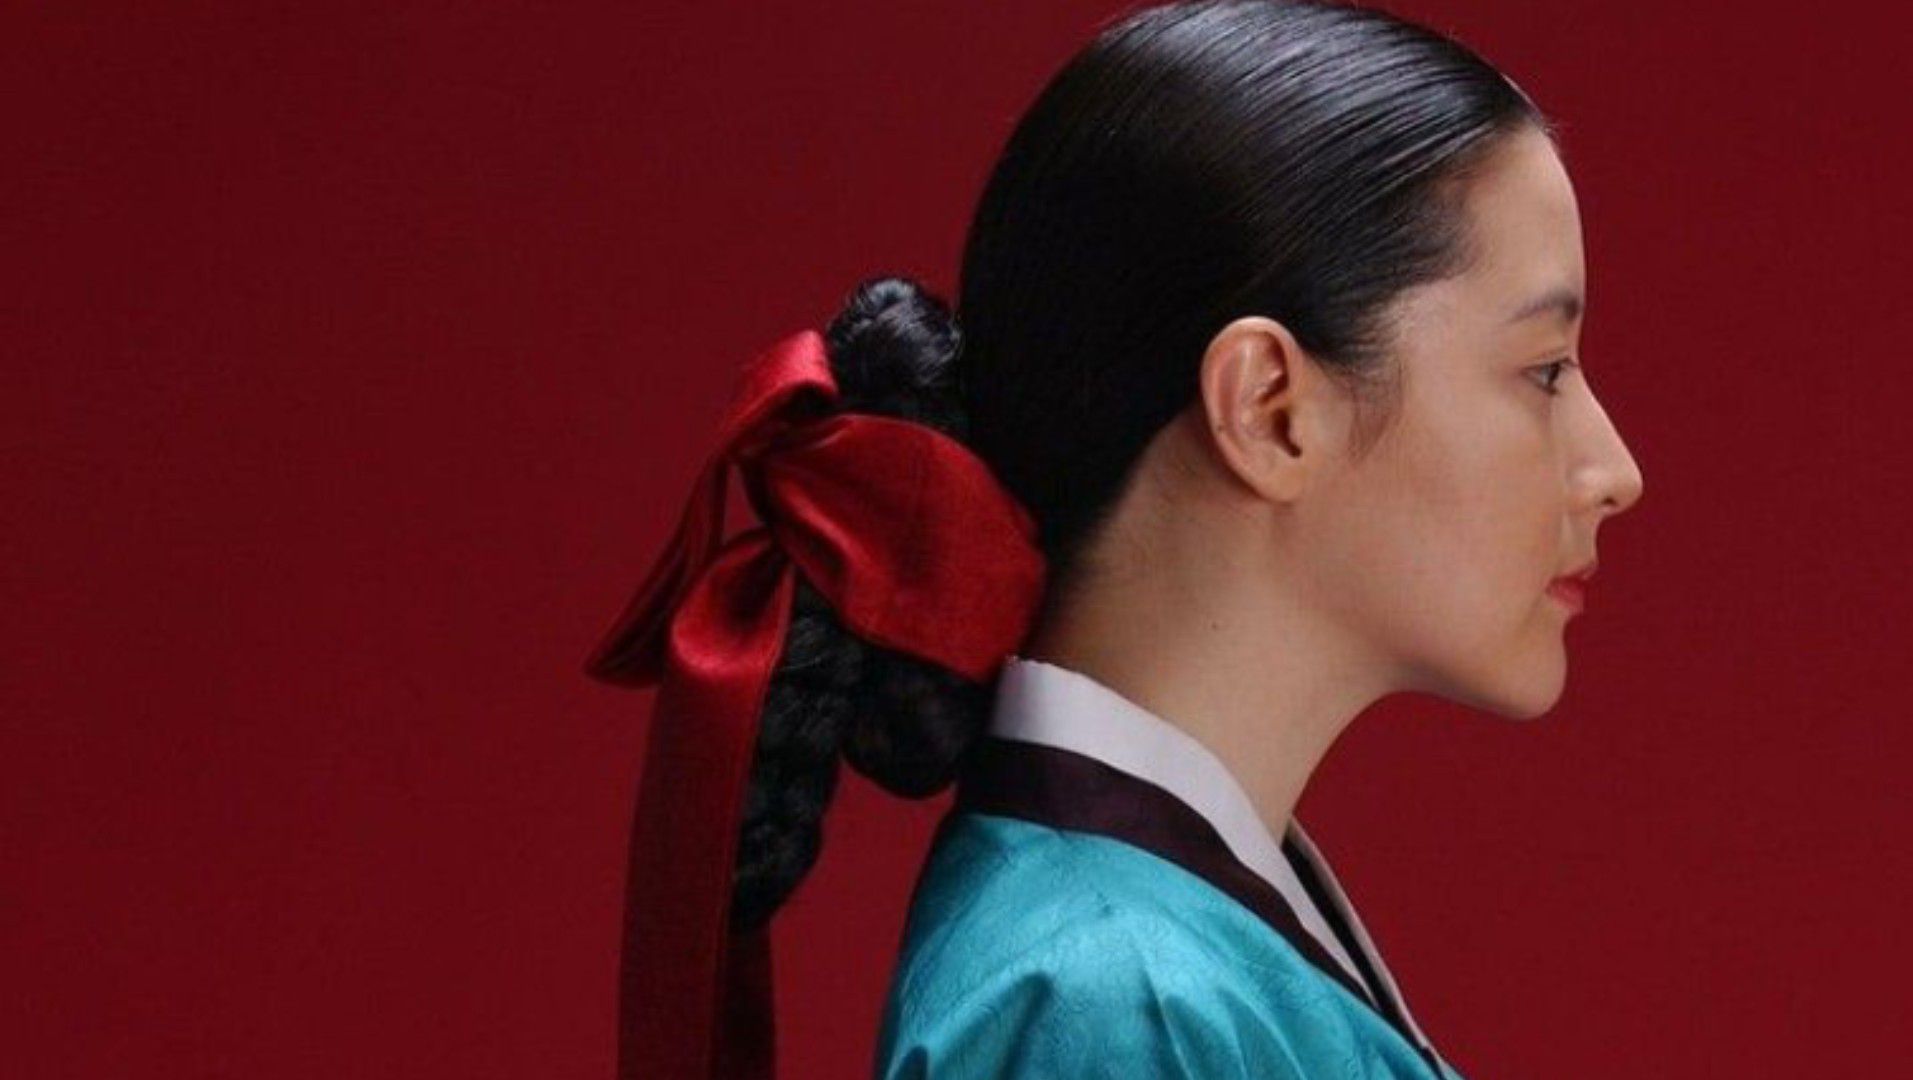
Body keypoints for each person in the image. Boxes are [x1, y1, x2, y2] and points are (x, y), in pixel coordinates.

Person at [584, 1, 1645, 1077]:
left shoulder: (1155, 952)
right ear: (1269, 407)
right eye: (1544, 371)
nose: (1614, 471)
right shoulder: (1113, 1003)